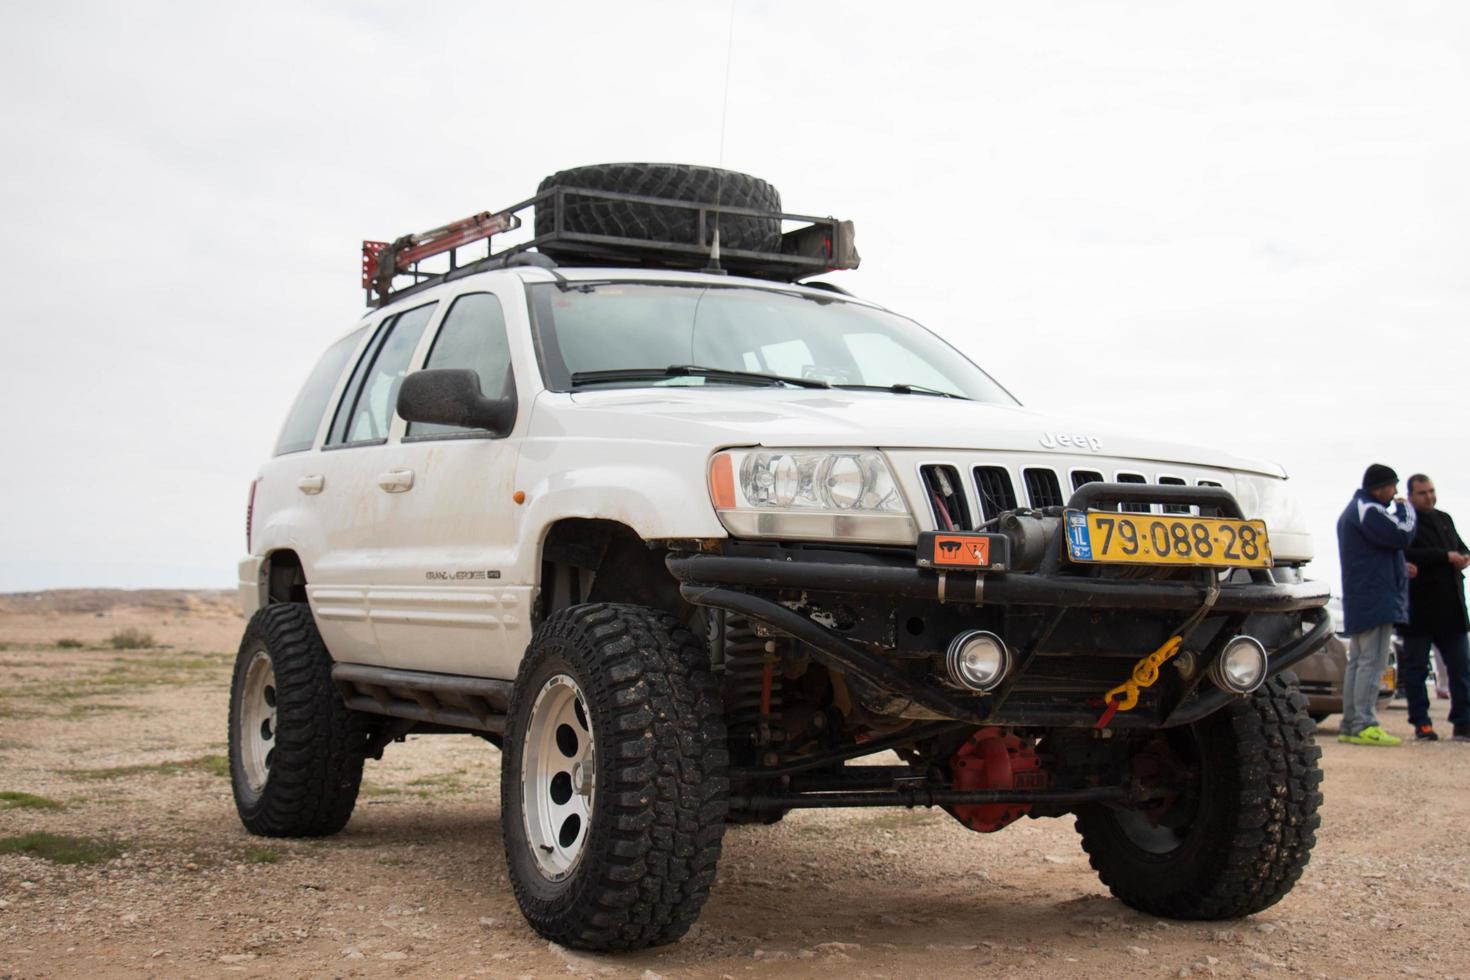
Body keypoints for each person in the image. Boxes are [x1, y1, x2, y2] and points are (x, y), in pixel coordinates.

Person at [1336, 463, 1417, 746]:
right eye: (1393, 487)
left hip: (1363, 597)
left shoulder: (1357, 509)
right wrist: (1406, 509)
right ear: (1381, 487)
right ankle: (1363, 723)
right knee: (1372, 662)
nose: (1396, 493)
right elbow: (1401, 534)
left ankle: (1350, 723)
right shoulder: (1369, 509)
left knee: (1359, 661)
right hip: (1375, 598)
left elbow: (1377, 550)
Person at [1400, 473, 1470, 741]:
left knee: (1461, 669)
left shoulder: (1444, 519)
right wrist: (1444, 557)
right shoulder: (1408, 523)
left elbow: (1461, 547)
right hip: (1419, 610)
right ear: (1411, 496)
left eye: (1431, 491)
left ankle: (1463, 722)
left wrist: (1463, 557)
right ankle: (1422, 723)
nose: (1429, 496)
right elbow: (1404, 553)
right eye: (1422, 493)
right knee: (1417, 670)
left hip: (1452, 609)